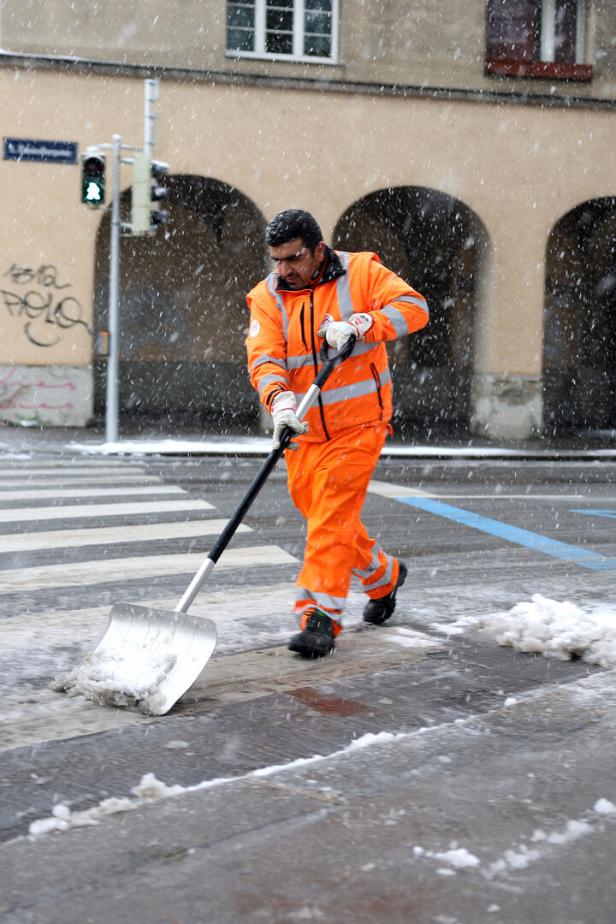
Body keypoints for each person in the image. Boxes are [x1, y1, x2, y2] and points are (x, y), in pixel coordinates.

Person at [245, 209, 428, 658]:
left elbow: (414, 308)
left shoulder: (361, 272)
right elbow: (264, 359)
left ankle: (319, 615)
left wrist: (363, 324)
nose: (284, 269)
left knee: (330, 515)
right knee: (324, 513)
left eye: (294, 258)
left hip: (360, 424)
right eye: (277, 260)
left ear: (318, 250)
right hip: (304, 430)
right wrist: (280, 404)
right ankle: (383, 575)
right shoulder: (267, 297)